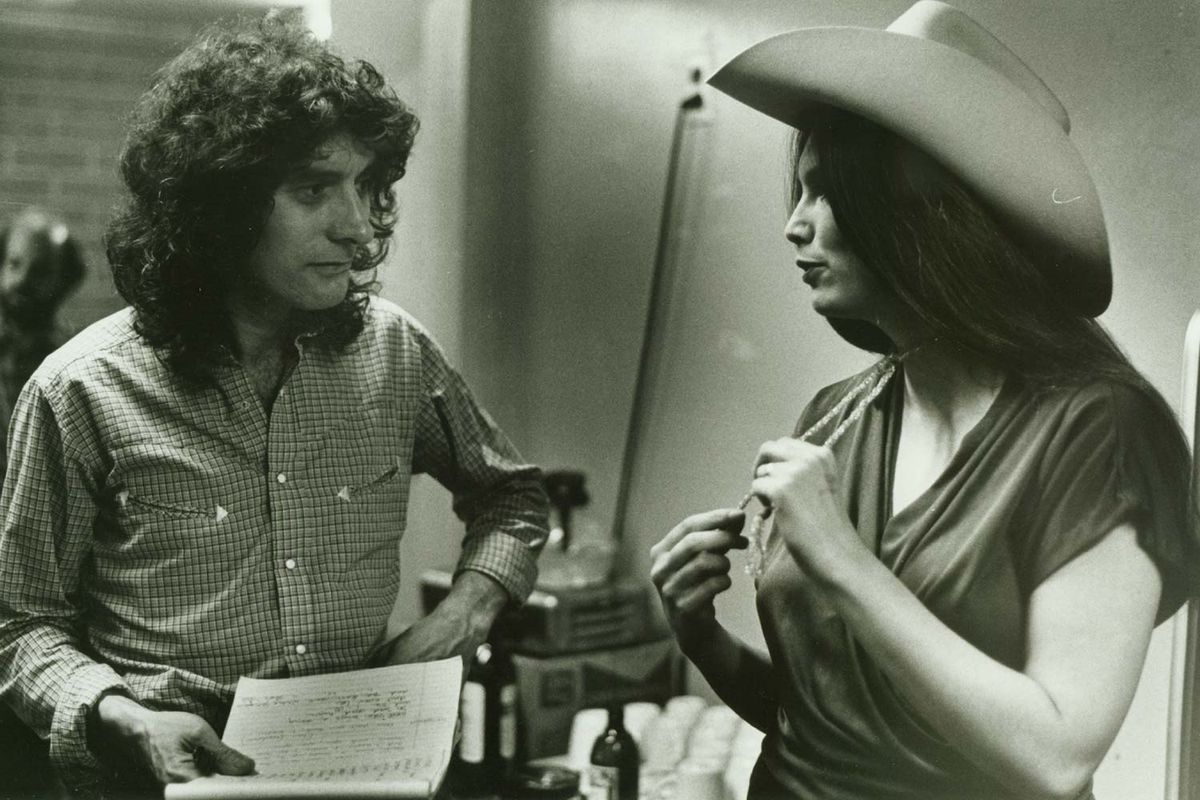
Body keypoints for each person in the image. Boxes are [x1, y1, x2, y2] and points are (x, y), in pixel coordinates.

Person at [650, 3, 1199, 799]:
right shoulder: (837, 417)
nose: (794, 226)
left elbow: (1058, 756)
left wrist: (842, 559)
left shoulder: (1097, 428)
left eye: (824, 193)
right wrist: (701, 639)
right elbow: (831, 736)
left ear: (920, 214)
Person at [0, 14, 547, 797]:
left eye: (365, 186)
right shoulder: (80, 389)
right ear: (221, 204)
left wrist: (463, 615)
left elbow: (513, 496)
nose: (357, 228)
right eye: (314, 189)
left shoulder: (395, 354)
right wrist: (125, 718)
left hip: (362, 779)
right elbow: (19, 625)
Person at [0, 207, 86, 479]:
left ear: (63, 281)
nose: (21, 281)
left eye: (39, 272)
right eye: (14, 264)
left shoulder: (76, 362)